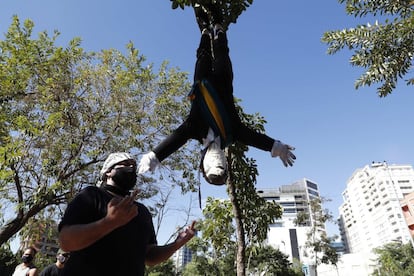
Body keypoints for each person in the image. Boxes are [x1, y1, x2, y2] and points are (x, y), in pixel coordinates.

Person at [138, 4, 296, 185]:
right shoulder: (233, 134)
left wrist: (155, 155)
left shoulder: (194, 129)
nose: (216, 161)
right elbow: (255, 138)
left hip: (202, 82)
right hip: (223, 79)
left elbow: (176, 138)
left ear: (203, 165)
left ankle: (204, 29)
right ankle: (218, 23)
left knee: (203, 54)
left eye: (212, 167)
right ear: (226, 163)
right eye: (221, 167)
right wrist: (276, 147)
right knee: (221, 48)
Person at [58, 152, 196, 276]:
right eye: (126, 164)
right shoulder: (91, 195)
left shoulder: (141, 211)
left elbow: (150, 257)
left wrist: (177, 244)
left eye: (134, 167)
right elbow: (66, 241)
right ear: (108, 172)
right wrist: (109, 223)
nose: (131, 169)